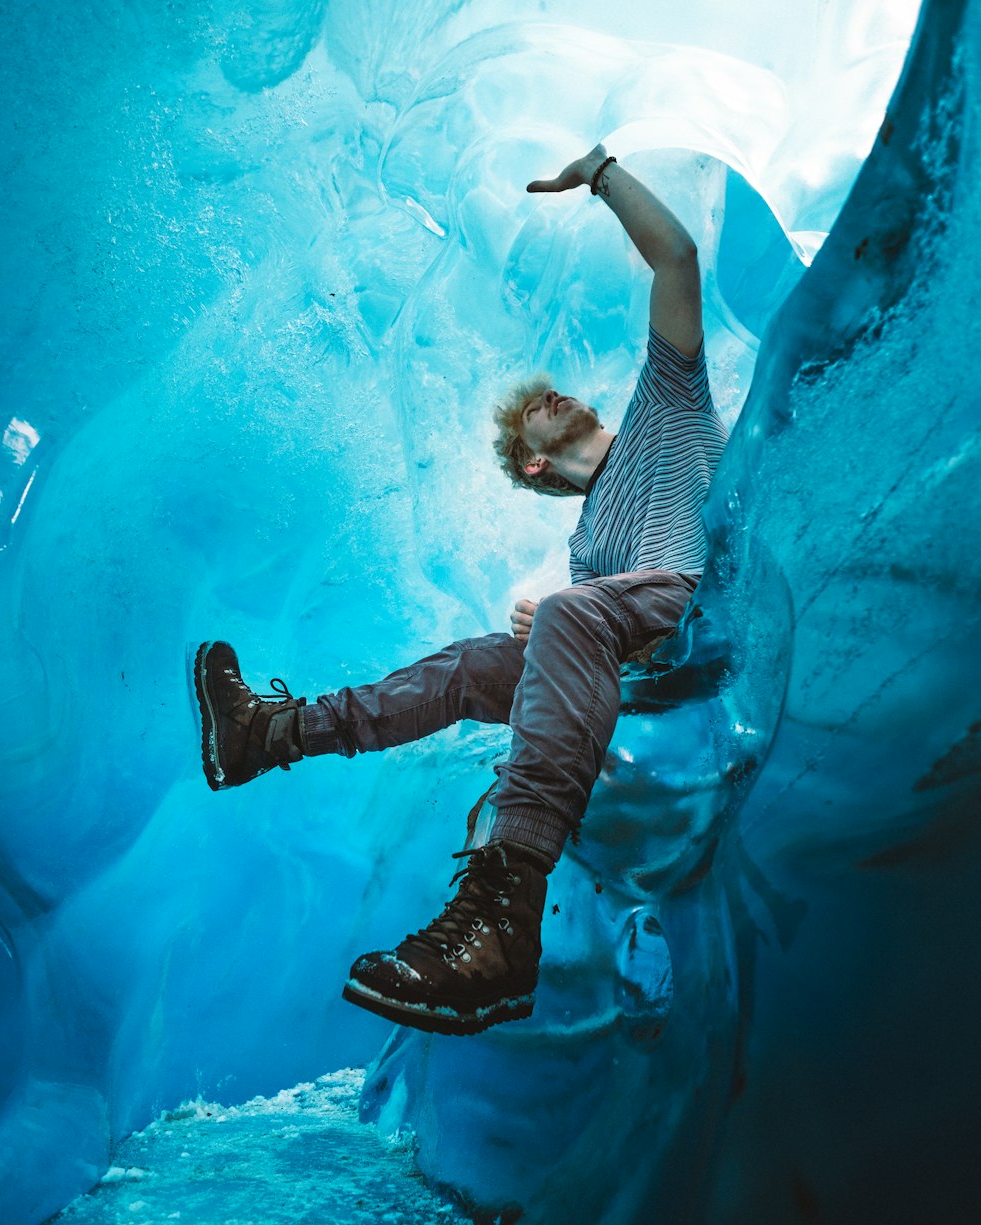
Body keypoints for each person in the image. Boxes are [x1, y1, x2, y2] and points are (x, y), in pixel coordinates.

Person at [193, 144, 727, 1037]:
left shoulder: (664, 404)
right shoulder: (586, 545)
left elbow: (678, 259)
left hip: (695, 609)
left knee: (558, 616)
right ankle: (269, 735)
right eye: (537, 410)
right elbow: (594, 648)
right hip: (641, 660)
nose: (554, 395)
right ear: (533, 462)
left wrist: (599, 174)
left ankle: (507, 918)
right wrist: (559, 630)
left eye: (551, 393)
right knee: (474, 662)